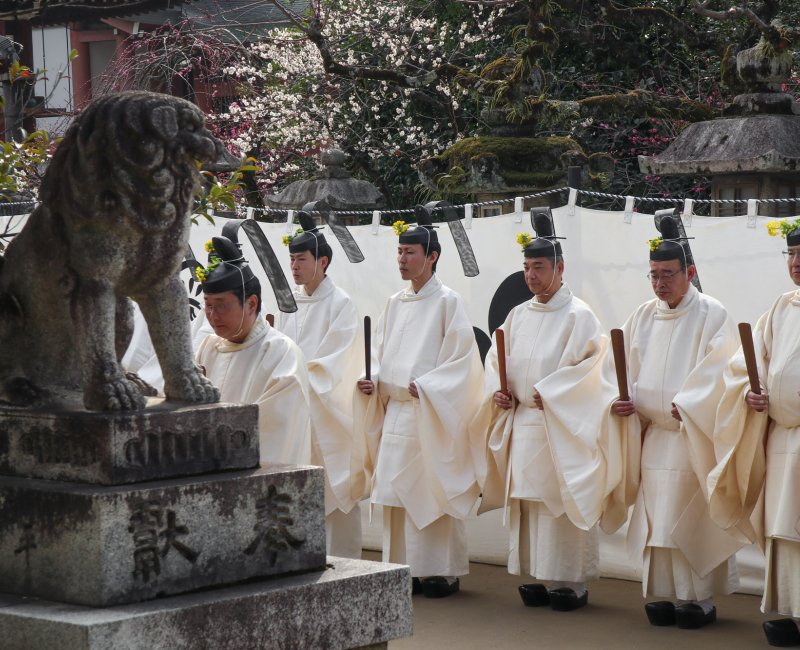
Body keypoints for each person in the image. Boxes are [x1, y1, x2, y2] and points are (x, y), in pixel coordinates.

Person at [470, 214, 622, 612]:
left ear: (559, 268)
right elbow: (495, 360)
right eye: (526, 267)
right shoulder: (519, 314)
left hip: (560, 426)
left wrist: (552, 393)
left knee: (559, 502)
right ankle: (537, 574)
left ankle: (570, 583)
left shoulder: (579, 315)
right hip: (524, 422)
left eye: (538, 267)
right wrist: (499, 392)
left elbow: (593, 371)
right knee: (530, 503)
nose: (531, 275)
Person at [612, 218, 740, 630]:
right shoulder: (643, 315)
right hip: (653, 436)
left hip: (690, 435)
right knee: (657, 521)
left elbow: (721, 371)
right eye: (654, 275)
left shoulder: (711, 313)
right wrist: (624, 397)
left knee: (688, 515)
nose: (659, 283)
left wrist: (688, 405)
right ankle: (664, 593)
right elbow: (623, 370)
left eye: (668, 275)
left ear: (690, 273)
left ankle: (697, 599)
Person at [355, 213, 483, 598]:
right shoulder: (394, 303)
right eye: (399, 252)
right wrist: (372, 379)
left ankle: (440, 572)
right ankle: (402, 569)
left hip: (429, 413)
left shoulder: (448, 302)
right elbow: (378, 353)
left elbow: (463, 362)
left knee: (431, 491)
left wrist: (428, 387)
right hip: (395, 411)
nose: (402, 259)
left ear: (432, 256)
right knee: (396, 495)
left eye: (409, 252)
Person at [708, 218, 800, 647]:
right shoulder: (781, 308)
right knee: (782, 528)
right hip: (781, 437)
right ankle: (790, 610)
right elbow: (749, 365)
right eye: (792, 255)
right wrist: (752, 391)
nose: (796, 264)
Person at [277, 213, 366, 559]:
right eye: (292, 259)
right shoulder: (290, 302)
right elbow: (280, 349)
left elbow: (338, 360)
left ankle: (344, 561)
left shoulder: (340, 303)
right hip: (297, 408)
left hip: (329, 409)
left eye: (301, 259)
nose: (294, 266)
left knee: (336, 486)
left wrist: (298, 378)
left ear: (323, 261)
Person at [195, 235, 311, 465]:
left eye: (221, 306)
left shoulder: (282, 354)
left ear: (251, 304)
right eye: (208, 306)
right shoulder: (209, 348)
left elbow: (276, 434)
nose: (213, 316)